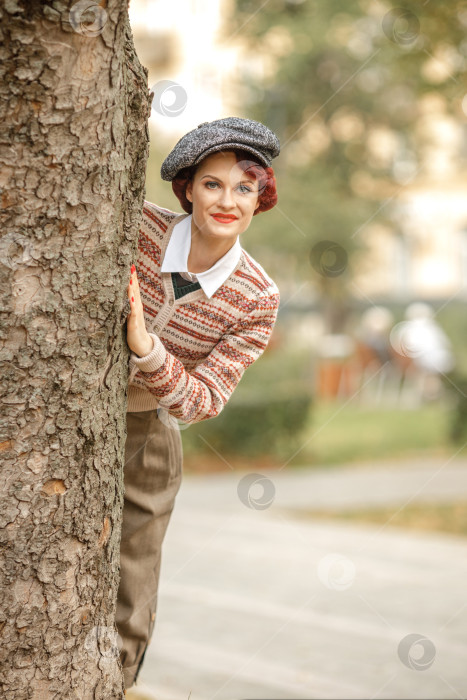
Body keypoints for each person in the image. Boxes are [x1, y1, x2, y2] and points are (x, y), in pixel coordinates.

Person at [116, 117, 281, 695]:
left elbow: (203, 400)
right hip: (62, 409)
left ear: (261, 196)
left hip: (149, 425)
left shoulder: (257, 297)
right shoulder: (135, 225)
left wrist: (147, 349)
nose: (228, 200)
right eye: (213, 184)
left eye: (245, 186)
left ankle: (117, 681)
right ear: (187, 188)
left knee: (136, 560)